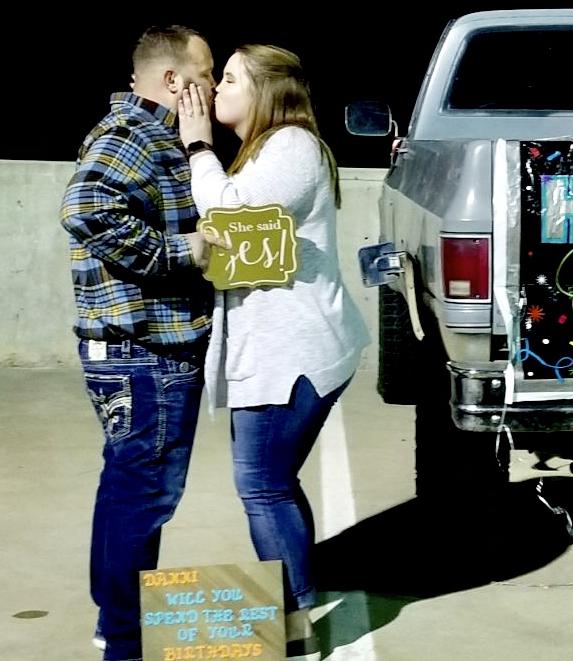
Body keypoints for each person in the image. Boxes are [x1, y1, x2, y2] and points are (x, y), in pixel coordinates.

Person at [177, 43, 370, 661]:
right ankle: (299, 600)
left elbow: (230, 212)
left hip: (291, 354)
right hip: (284, 348)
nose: (216, 89)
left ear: (265, 91)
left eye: (230, 79)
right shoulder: (270, 148)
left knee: (261, 486)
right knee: (274, 482)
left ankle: (294, 622)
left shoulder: (291, 145)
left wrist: (198, 146)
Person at [60, 25, 222, 661]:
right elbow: (85, 206)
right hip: (145, 354)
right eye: (206, 74)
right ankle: (125, 643)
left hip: (131, 353)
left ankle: (114, 624)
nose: (213, 86)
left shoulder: (145, 132)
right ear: (175, 81)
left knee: (128, 490)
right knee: (145, 496)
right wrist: (182, 251)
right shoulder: (138, 134)